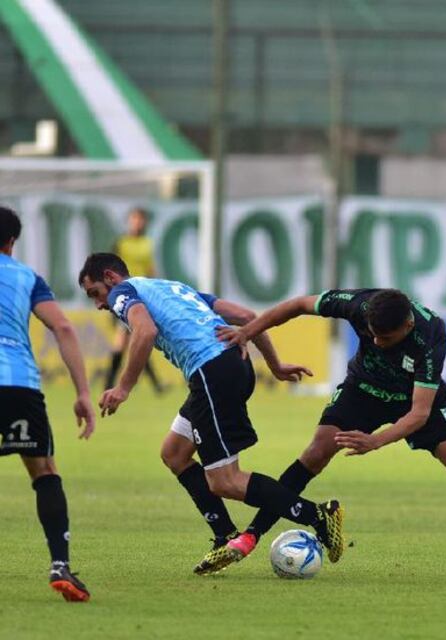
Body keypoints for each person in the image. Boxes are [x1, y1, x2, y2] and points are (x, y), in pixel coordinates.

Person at [215, 288, 446, 583]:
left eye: (385, 339)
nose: (376, 342)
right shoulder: (362, 305)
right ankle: (251, 536)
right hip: (364, 389)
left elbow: (418, 413)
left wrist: (376, 441)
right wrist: (248, 331)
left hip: (414, 398)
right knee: (316, 450)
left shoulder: (430, 336)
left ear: (408, 327)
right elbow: (299, 304)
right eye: (372, 335)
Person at [76, 252, 344, 574]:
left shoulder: (124, 292)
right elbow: (246, 315)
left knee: (224, 481)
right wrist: (274, 364)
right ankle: (224, 536)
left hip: (211, 372)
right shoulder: (173, 287)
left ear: (110, 277)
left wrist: (123, 388)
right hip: (229, 367)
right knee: (174, 452)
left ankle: (317, 515)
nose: (99, 304)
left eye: (95, 293)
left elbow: (144, 332)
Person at [0, 206, 96, 601]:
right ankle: (60, 565)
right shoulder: (26, 277)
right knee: (43, 472)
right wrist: (83, 393)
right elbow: (63, 326)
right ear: (13, 242)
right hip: (18, 384)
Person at [104, 207, 166, 394]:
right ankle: (111, 384)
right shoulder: (121, 243)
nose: (137, 223)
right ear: (129, 221)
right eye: (134, 219)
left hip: (142, 296)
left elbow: (150, 269)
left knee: (139, 339)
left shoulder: (147, 243)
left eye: (140, 219)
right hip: (123, 295)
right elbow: (108, 269)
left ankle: (154, 385)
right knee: (125, 340)